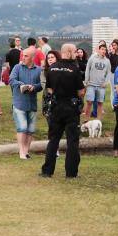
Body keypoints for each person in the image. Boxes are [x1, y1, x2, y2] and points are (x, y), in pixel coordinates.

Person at [40, 44, 85, 178]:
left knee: (53, 140)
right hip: (70, 107)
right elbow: (81, 91)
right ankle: (71, 173)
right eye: (75, 51)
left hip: (56, 107)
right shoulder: (74, 69)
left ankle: (47, 171)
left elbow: (49, 89)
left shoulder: (52, 68)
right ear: (70, 52)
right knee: (72, 141)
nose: (76, 54)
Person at [10, 48, 42, 160]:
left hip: (32, 104)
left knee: (31, 130)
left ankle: (26, 151)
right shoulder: (17, 67)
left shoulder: (39, 70)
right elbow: (12, 80)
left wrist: (34, 87)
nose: (23, 58)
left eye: (26, 56)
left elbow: (41, 84)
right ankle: (21, 152)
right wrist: (22, 85)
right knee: (22, 128)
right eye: (23, 55)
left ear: (33, 57)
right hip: (19, 103)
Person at [83, 42, 110, 120]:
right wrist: (86, 81)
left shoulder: (107, 61)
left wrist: (105, 82)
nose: (103, 51)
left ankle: (98, 120)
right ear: (98, 50)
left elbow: (108, 73)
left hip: (101, 86)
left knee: (100, 103)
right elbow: (87, 69)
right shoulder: (92, 58)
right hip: (91, 84)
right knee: (89, 102)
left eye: (105, 50)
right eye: (102, 49)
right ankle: (86, 119)